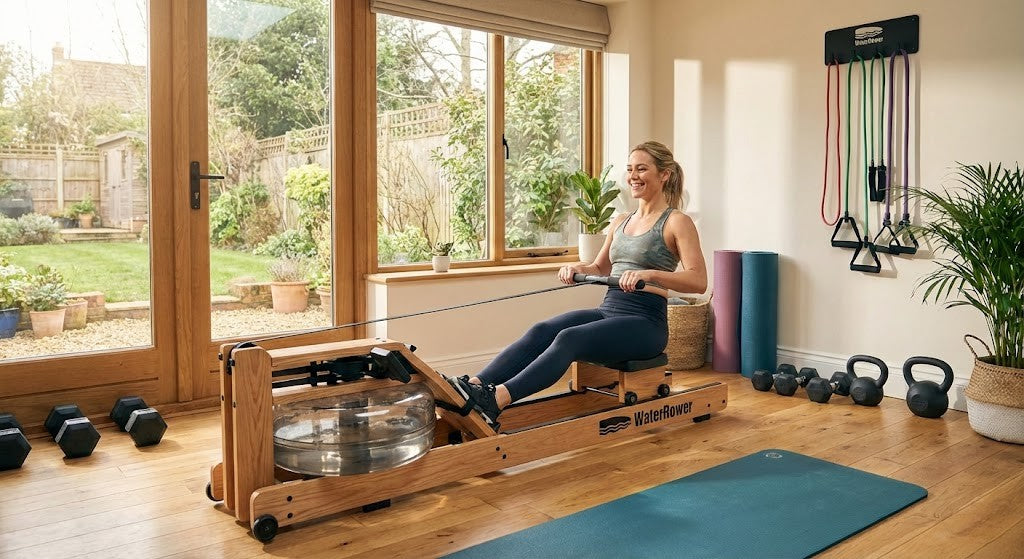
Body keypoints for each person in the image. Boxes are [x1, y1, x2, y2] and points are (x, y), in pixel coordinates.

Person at [448, 141, 707, 430]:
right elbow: (599, 268)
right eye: (630, 169)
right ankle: (473, 386)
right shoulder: (622, 220)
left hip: (646, 323)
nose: (633, 175)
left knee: (569, 339)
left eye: (642, 169)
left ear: (665, 175)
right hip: (610, 310)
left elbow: (698, 280)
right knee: (543, 330)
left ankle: (495, 400)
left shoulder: (676, 222)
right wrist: (575, 269)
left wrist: (651, 274)